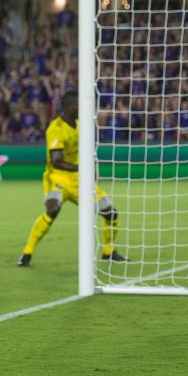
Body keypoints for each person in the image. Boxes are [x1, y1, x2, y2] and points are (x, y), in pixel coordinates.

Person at [17, 90, 125, 267]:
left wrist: (92, 169)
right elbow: (57, 162)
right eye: (80, 106)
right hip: (57, 178)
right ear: (70, 107)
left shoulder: (81, 124)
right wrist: (85, 168)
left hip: (79, 179)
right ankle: (27, 253)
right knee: (52, 210)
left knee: (110, 212)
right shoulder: (56, 128)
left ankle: (109, 252)